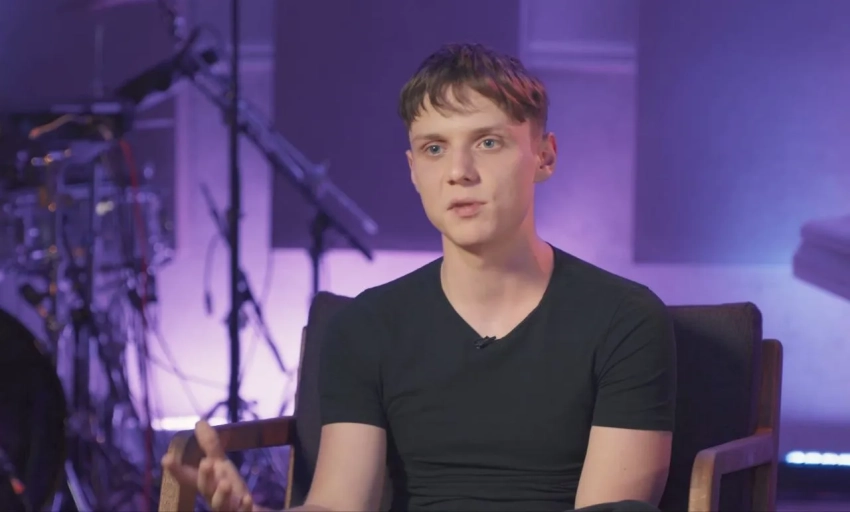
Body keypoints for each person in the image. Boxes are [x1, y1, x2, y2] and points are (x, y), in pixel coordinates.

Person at [163, 43, 677, 512]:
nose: (459, 171)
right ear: (413, 170)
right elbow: (340, 504)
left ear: (544, 156)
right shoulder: (365, 327)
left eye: (488, 142)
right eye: (435, 148)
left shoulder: (624, 320)